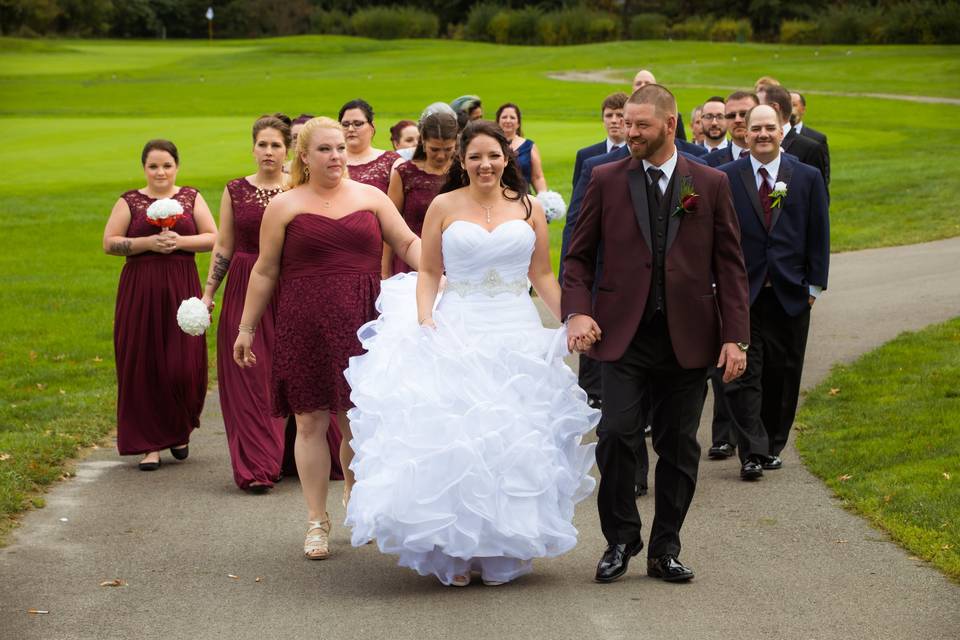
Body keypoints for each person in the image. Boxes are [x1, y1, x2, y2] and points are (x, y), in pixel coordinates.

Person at [345, 120, 599, 587]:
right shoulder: (443, 205)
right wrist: (425, 319)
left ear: (508, 159)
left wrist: (571, 318)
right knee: (460, 439)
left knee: (512, 439)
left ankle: (501, 545)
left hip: (515, 331)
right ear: (463, 160)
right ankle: (457, 550)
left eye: (494, 156)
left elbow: (542, 274)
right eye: (476, 156)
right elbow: (428, 271)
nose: (486, 165)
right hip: (459, 326)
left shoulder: (528, 206)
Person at [563, 84, 750, 583]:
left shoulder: (709, 184)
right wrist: (577, 312)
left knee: (679, 445)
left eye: (641, 125)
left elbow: (731, 266)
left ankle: (665, 547)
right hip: (621, 336)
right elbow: (577, 257)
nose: (630, 133)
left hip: (688, 339)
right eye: (626, 123)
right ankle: (621, 538)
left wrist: (736, 336)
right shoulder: (603, 178)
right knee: (616, 435)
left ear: (669, 126)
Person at [234, 117, 421, 560]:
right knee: (312, 421)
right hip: (304, 321)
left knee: (356, 419)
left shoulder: (371, 197)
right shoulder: (284, 205)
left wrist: (439, 276)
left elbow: (409, 243)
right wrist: (245, 328)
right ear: (304, 155)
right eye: (324, 150)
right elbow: (264, 270)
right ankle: (316, 520)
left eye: (340, 147)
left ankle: (358, 497)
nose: (336, 156)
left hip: (362, 319)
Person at [717, 104, 830, 478]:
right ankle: (752, 450)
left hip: (790, 293)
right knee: (744, 374)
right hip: (741, 294)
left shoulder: (807, 176)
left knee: (783, 373)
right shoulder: (725, 177)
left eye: (770, 128)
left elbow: (818, 232)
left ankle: (772, 444)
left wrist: (813, 286)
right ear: (745, 133)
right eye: (756, 129)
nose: (763, 134)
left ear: (783, 131)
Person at [200, 115, 301, 493]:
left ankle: (288, 455)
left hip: (288, 285)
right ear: (253, 148)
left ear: (287, 150)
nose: (269, 152)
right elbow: (223, 245)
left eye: (276, 145)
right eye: (263, 144)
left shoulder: (296, 189)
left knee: (284, 371)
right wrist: (209, 293)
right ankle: (256, 466)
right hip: (244, 283)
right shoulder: (235, 190)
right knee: (247, 374)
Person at [102, 139, 217, 470]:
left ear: (177, 166)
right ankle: (149, 444)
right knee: (143, 362)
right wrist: (147, 243)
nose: (160, 172)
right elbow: (110, 243)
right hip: (140, 288)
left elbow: (213, 237)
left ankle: (179, 428)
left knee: (183, 363)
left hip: (181, 286)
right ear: (144, 168)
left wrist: (180, 241)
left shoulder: (190, 197)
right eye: (153, 166)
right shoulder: (130, 201)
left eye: (166, 165)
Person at [382, 105, 458, 277]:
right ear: (423, 141)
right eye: (434, 149)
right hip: (411, 262)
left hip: (455, 262)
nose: (440, 156)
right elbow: (390, 225)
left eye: (448, 149)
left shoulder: (462, 173)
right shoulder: (405, 173)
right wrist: (384, 270)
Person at [761, 85, 829, 194]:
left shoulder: (810, 148)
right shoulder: (752, 145)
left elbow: (819, 195)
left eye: (758, 105)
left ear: (774, 107)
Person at [339, 99, 401, 193]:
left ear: (372, 127)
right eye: (345, 124)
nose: (350, 129)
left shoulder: (392, 162)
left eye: (358, 124)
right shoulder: (330, 160)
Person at [571, 92, 628, 190]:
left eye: (619, 115)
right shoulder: (585, 155)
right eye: (609, 115)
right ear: (603, 119)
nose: (614, 120)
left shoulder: (639, 154)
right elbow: (578, 199)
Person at [496, 102, 547, 193]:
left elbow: (537, 177)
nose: (508, 121)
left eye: (512, 117)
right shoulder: (491, 145)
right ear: (498, 121)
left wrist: (544, 199)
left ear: (518, 123)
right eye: (504, 117)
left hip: (523, 198)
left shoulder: (528, 146)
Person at [705, 91, 759, 167]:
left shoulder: (778, 158)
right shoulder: (707, 163)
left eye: (744, 114)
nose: (737, 120)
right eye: (731, 115)